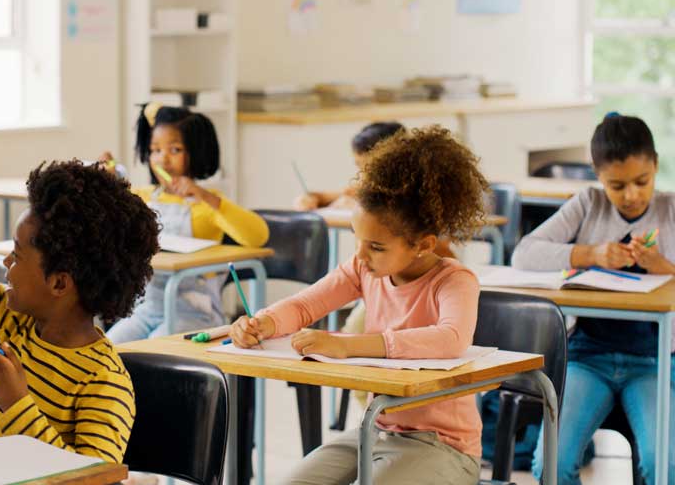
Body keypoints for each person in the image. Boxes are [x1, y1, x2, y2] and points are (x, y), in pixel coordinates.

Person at [232, 126, 490, 485]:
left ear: (423, 245)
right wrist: (263, 322)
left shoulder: (454, 281)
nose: (361, 256)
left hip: (444, 447)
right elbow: (305, 305)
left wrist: (347, 345)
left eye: (377, 247)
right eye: (359, 241)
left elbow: (451, 339)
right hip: (376, 430)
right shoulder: (363, 268)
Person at [0, 133, 159, 462]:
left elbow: (91, 479)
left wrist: (16, 404)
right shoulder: (9, 316)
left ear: (59, 283)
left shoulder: (103, 381)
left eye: (17, 254)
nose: (6, 262)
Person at [514, 113, 675, 485]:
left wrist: (664, 267)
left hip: (653, 361)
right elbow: (524, 253)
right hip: (588, 357)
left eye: (642, 181)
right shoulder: (588, 203)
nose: (631, 195)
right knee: (552, 465)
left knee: (662, 465)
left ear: (655, 165)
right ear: (597, 174)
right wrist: (590, 254)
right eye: (617, 185)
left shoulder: (670, 210)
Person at [100, 103, 269, 342]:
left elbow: (258, 235)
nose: (163, 159)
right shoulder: (143, 197)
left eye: (175, 150)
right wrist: (108, 180)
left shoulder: (207, 203)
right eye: (155, 150)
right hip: (148, 309)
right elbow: (109, 214)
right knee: (109, 346)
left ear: (195, 153)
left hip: (196, 313)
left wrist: (207, 197)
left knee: (154, 350)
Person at [294, 121, 406, 211]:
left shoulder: (407, 197)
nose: (363, 176)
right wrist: (312, 197)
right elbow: (332, 196)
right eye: (360, 167)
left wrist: (360, 209)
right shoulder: (366, 188)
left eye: (371, 169)